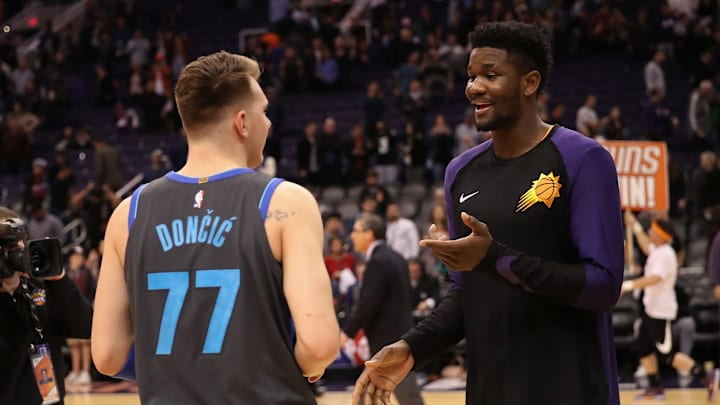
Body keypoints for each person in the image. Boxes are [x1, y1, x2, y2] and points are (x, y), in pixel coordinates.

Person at [352, 21, 625, 405]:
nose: (473, 87)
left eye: (490, 75)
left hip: (571, 388)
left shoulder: (582, 158)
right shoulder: (459, 173)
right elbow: (468, 294)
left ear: (529, 83)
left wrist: (493, 257)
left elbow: (603, 286)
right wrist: (412, 348)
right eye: (471, 76)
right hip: (489, 390)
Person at [91, 51, 340, 404]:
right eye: (264, 112)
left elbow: (107, 355)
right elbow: (320, 344)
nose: (268, 124)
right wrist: (304, 362)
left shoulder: (128, 213)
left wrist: (184, 368)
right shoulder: (285, 202)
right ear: (242, 122)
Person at [0, 206, 93, 405]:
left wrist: (59, 279)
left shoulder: (43, 285)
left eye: (19, 242)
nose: (16, 250)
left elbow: (85, 327)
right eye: (7, 246)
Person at [623, 213, 718, 399]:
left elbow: (655, 278)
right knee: (643, 346)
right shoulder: (657, 250)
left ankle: (705, 375)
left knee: (667, 354)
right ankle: (654, 386)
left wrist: (628, 285)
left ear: (660, 234)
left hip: (660, 311)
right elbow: (644, 244)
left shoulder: (666, 255)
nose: (649, 231)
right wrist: (634, 226)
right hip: (650, 309)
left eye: (652, 229)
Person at [342, 213, 424, 405]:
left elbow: (369, 304)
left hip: (387, 338)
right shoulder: (396, 257)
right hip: (398, 333)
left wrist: (347, 332)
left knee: (405, 393)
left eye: (355, 230)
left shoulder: (378, 261)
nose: (352, 235)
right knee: (368, 389)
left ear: (369, 234)